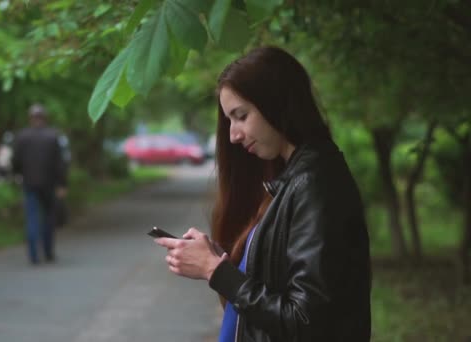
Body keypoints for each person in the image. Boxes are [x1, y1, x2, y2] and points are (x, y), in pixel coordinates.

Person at [154, 46, 371, 341]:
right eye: (230, 120)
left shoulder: (315, 184)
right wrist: (227, 263)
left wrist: (216, 272)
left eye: (241, 116)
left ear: (277, 103)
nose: (233, 135)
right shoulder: (293, 179)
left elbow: (306, 320)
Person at [12, 104, 68, 264]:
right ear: (44, 118)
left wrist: (17, 176)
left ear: (30, 118)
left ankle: (33, 255)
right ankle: (48, 252)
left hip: (29, 184)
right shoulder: (53, 136)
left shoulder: (22, 137)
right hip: (49, 185)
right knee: (48, 218)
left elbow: (15, 161)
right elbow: (61, 163)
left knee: (32, 218)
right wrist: (62, 184)